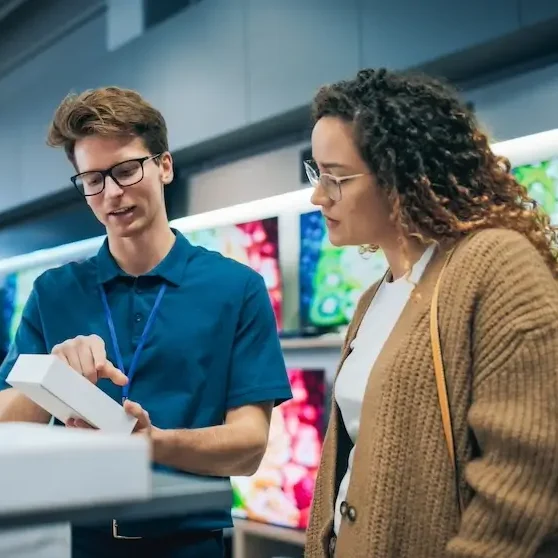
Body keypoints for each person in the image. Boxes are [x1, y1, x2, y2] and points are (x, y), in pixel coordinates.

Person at [0, 86, 292, 558]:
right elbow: (3, 422)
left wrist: (150, 443)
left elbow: (250, 445)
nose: (112, 193)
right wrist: (49, 380)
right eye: (93, 179)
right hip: (67, 542)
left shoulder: (235, 287)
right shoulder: (53, 292)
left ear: (164, 166)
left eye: (126, 170)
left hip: (188, 544)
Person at [303, 68, 558, 557]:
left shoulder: (496, 265)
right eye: (318, 175)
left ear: (399, 175)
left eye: (336, 178)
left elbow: (524, 475)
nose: (319, 195)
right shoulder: (373, 299)